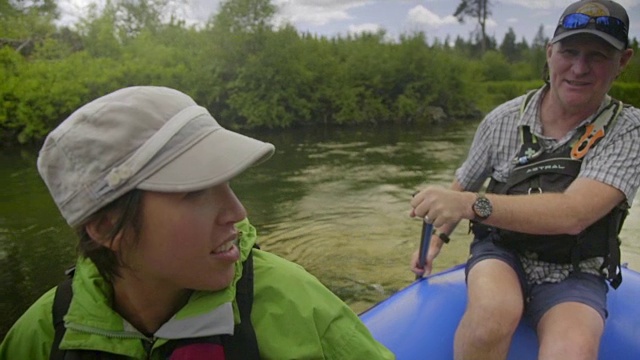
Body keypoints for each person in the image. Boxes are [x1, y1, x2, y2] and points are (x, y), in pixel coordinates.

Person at [0, 86, 394, 359]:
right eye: (194, 191)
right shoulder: (42, 336)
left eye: (226, 182)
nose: (238, 212)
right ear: (104, 227)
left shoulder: (299, 307)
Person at [409, 0, 639, 359]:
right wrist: (435, 243)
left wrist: (470, 205)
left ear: (622, 62)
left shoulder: (629, 131)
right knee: (491, 318)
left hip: (577, 270)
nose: (579, 68)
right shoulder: (501, 119)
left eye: (597, 56)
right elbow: (464, 183)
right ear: (550, 53)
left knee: (572, 352)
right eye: (569, 51)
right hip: (502, 251)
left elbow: (573, 213)